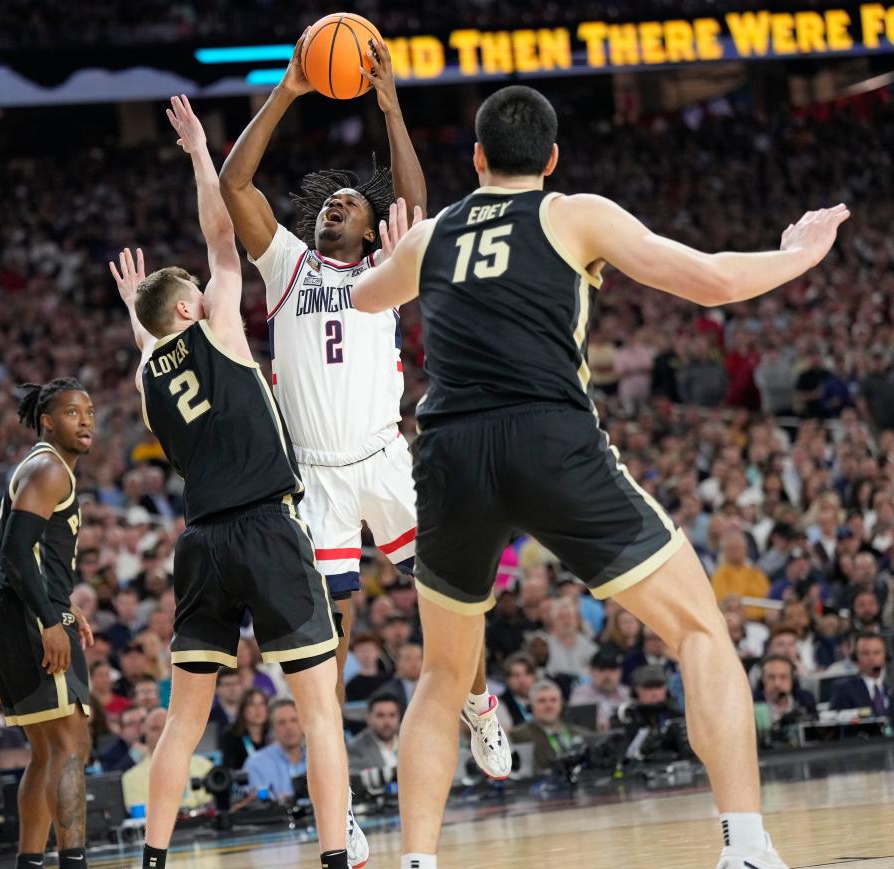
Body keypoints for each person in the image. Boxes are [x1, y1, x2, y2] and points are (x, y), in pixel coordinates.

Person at [351, 84, 848, 869]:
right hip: (548, 438)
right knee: (698, 631)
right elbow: (712, 279)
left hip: (449, 451)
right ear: (551, 160)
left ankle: (415, 861)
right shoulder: (574, 212)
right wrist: (802, 253)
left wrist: (394, 253)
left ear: (476, 158)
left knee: (445, 675)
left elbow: (363, 296)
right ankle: (745, 847)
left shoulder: (435, 233)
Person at [219, 29, 511, 784]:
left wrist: (390, 106)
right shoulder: (285, 264)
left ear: (368, 226)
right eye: (330, 204)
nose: (335, 210)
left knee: (447, 593)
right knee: (332, 634)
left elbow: (413, 201)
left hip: (385, 457)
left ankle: (480, 703)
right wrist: (286, 90)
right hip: (314, 475)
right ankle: (337, 788)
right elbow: (235, 186)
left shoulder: (388, 264)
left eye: (349, 205)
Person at [110, 95, 355, 869]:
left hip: (202, 542)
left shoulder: (150, 377)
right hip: (268, 527)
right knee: (319, 711)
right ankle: (335, 858)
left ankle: (151, 857)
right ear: (191, 305)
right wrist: (196, 154)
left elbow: (151, 345)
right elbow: (222, 236)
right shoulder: (215, 324)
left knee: (183, 719)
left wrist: (136, 316)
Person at [0, 380, 96, 869]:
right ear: (48, 421)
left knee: (46, 751)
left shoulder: (44, 467)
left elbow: (25, 553)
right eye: (72, 412)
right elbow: (14, 550)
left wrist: (64, 602)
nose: (85, 420)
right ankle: (74, 862)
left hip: (10, 612)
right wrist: (50, 618)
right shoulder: (49, 468)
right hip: (27, 616)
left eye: (88, 412)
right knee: (71, 745)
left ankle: (30, 862)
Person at [122, 708, 211, 813]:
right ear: (144, 734)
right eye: (155, 728)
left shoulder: (204, 765)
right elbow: (140, 817)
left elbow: (212, 804)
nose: (162, 732)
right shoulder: (131, 778)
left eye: (168, 726)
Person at [509, 680, 585, 775]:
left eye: (553, 700)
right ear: (530, 706)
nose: (549, 706)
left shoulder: (581, 733)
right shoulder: (518, 736)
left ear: (562, 704)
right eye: (542, 701)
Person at [243, 698, 305, 800]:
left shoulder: (320, 760)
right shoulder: (255, 764)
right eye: (281, 723)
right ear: (272, 728)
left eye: (294, 720)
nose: (289, 727)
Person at [828, 633, 892, 719]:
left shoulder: (890, 687)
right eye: (865, 653)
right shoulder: (843, 689)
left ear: (885, 657)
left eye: (877, 653)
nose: (871, 658)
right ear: (855, 657)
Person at [569, 650, 631, 731]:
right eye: (602, 669)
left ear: (620, 672)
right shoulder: (581, 693)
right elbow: (578, 724)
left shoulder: (627, 693)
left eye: (612, 669)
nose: (607, 675)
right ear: (591, 671)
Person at [347, 692, 402, 774]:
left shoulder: (410, 743)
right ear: (368, 718)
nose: (387, 722)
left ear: (399, 717)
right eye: (380, 715)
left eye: (392, 715)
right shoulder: (355, 749)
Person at [218, 688, 271, 771]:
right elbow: (229, 768)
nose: (258, 709)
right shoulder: (231, 736)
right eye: (252, 705)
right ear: (242, 709)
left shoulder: (274, 733)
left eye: (262, 704)